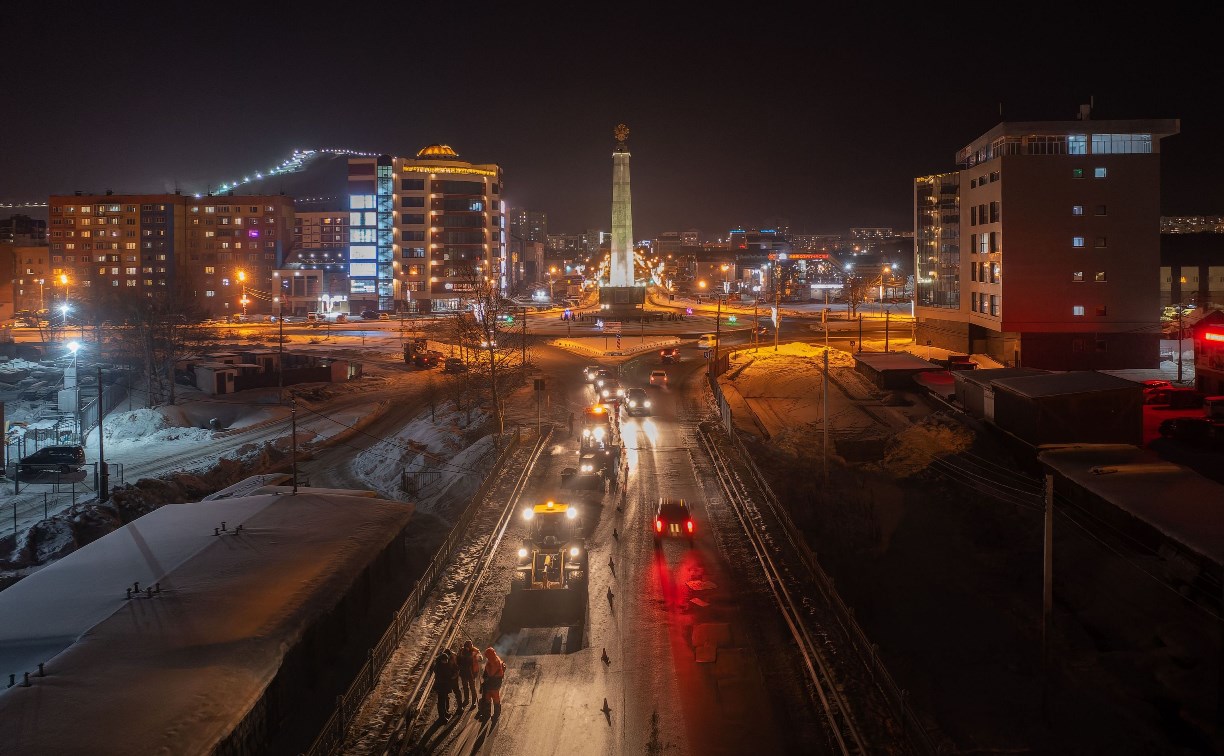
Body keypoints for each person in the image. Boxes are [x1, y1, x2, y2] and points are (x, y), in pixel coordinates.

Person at [480, 646, 507, 721]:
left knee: (495, 698)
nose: (486, 657)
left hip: (494, 683)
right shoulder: (493, 659)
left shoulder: (494, 662)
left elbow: (491, 674)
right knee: (488, 697)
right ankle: (487, 714)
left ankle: (496, 714)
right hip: (492, 682)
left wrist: (485, 676)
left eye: (487, 656)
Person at [432, 649, 459, 721]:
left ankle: (445, 713)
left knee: (443, 700)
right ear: (442, 660)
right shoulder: (440, 667)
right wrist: (451, 676)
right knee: (441, 701)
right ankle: (441, 717)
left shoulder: (441, 665)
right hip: (441, 686)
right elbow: (444, 675)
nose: (447, 661)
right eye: (445, 660)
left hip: (444, 685)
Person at [457, 640, 483, 709]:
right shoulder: (461, 651)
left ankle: (473, 702)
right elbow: (458, 660)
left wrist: (478, 657)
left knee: (472, 687)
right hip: (464, 672)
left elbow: (481, 659)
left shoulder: (475, 651)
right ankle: (466, 700)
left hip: (472, 672)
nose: (467, 648)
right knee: (465, 687)